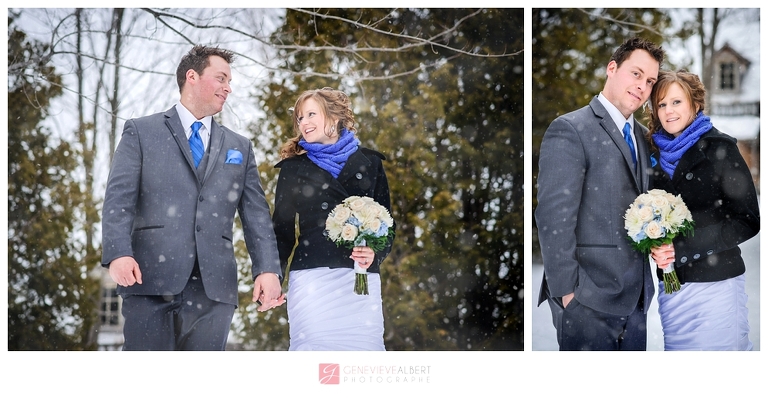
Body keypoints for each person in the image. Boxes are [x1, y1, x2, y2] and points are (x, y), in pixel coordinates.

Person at [101, 45, 284, 350]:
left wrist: (267, 269)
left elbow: (256, 216)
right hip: (149, 281)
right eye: (221, 78)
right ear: (192, 77)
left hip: (214, 291)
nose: (228, 88)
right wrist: (118, 252)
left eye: (230, 81)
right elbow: (118, 199)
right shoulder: (141, 132)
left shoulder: (240, 146)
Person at [536, 37, 665, 350]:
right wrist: (570, 295)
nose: (642, 87)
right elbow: (554, 217)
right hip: (587, 303)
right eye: (636, 74)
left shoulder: (641, 136)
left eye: (650, 81)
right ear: (612, 68)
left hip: (635, 303)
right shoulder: (571, 128)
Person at [644, 69, 759, 351]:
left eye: (676, 102)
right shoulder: (652, 157)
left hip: (717, 282)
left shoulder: (721, 148)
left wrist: (682, 246)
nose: (668, 111)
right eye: (661, 104)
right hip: (672, 289)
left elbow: (748, 220)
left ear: (695, 104)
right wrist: (653, 243)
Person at [272, 87, 394, 350]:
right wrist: (272, 277)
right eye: (300, 118)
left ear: (335, 117)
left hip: (361, 281)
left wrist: (375, 252)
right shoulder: (292, 169)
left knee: (361, 366)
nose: (304, 123)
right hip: (312, 279)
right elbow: (281, 232)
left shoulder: (371, 163)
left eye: (311, 114)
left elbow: (388, 224)